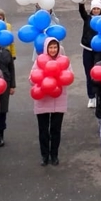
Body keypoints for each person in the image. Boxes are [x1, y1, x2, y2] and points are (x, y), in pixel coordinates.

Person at [33, 36, 68, 166]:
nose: (53, 50)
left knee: (56, 130)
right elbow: (32, 78)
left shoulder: (64, 61)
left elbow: (68, 77)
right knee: (43, 130)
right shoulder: (39, 60)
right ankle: (44, 156)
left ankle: (54, 155)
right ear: (46, 48)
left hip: (59, 99)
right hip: (42, 99)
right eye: (50, 47)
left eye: (55, 47)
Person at [78, 0, 101, 108]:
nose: (96, 10)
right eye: (94, 8)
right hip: (87, 49)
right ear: (91, 10)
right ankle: (91, 97)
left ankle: (99, 96)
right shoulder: (87, 18)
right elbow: (82, 11)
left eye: (98, 8)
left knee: (98, 74)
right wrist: (81, 3)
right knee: (89, 74)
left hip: (99, 50)